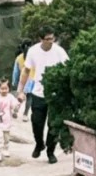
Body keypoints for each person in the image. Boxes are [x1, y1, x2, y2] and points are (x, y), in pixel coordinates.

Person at [22, 27, 69, 163]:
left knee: (53, 124)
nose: (50, 41)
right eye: (47, 39)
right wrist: (21, 89)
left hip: (55, 92)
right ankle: (39, 143)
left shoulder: (59, 52)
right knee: (36, 122)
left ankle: (50, 150)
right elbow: (26, 70)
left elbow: (67, 68)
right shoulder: (33, 51)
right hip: (38, 91)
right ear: (41, 39)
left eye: (52, 38)